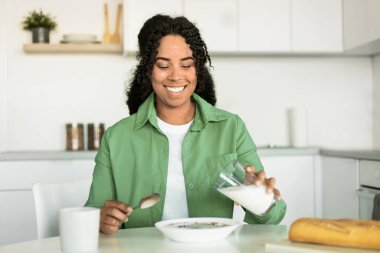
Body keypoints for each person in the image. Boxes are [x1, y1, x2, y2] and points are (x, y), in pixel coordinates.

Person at [85, 14, 286, 234]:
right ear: (148, 70)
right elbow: (93, 211)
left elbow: (272, 217)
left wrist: (261, 198)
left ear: (197, 70)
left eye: (186, 65)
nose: (175, 76)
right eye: (163, 65)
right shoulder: (117, 137)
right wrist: (99, 219)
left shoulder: (231, 128)